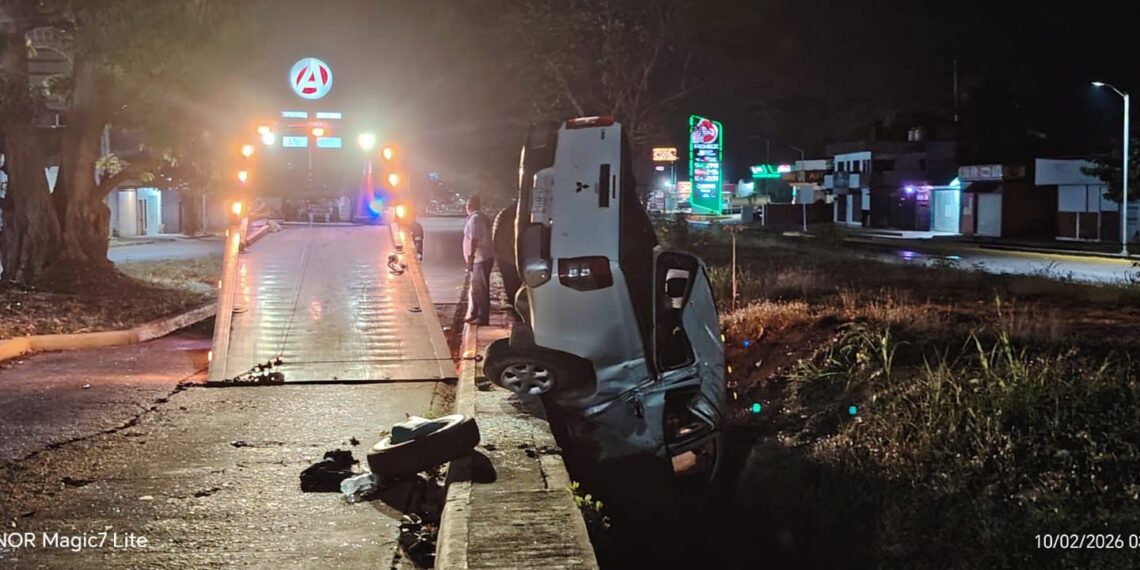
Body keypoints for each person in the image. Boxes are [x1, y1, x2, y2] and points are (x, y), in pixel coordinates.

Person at [463, 195, 494, 325]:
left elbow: (474, 239)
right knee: (476, 288)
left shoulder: (476, 219)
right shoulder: (479, 217)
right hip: (480, 258)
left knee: (480, 289)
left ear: (469, 206)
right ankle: (475, 313)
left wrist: (470, 258)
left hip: (480, 258)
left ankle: (483, 317)